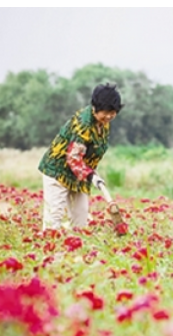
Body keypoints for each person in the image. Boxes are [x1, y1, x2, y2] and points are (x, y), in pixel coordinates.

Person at [38, 83, 123, 230]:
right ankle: (50, 248)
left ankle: (72, 247)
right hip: (59, 170)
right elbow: (73, 158)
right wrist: (91, 176)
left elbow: (92, 151)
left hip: (81, 173)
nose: (109, 116)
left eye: (113, 112)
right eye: (106, 111)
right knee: (54, 218)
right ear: (95, 107)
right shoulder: (84, 125)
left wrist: (91, 172)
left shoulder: (103, 122)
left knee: (80, 221)